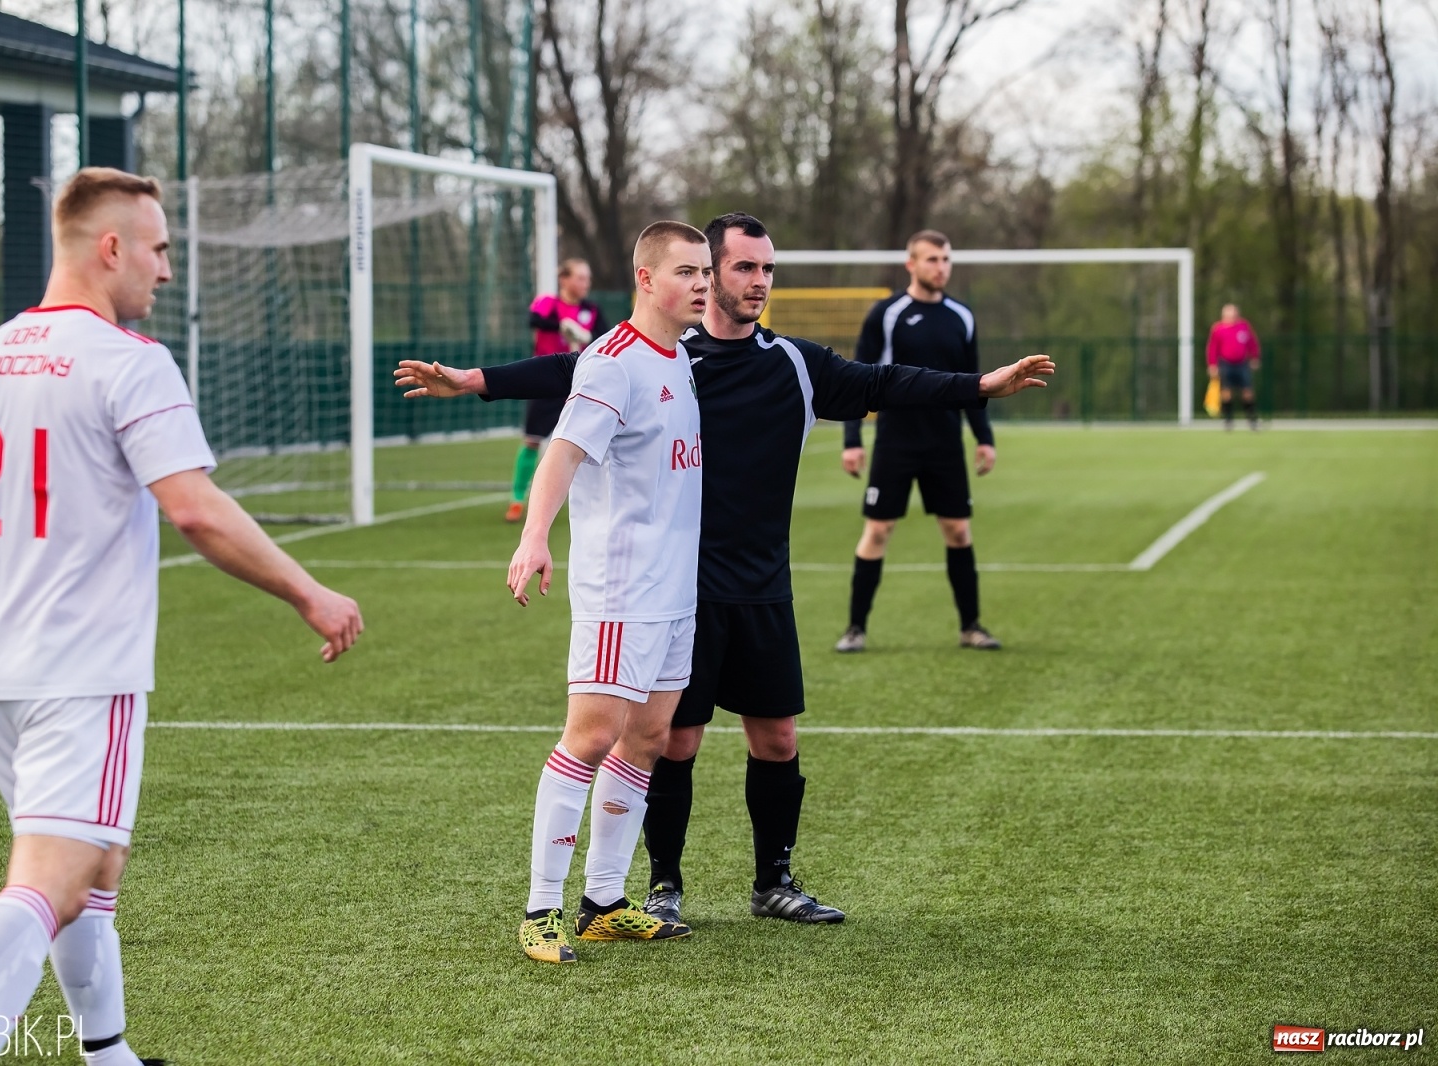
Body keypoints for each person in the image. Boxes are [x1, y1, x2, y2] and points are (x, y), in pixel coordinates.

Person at [393, 213, 1052, 929]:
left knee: (777, 738)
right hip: (674, 585)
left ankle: (773, 882)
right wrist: (476, 381)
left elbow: (889, 382)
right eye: (738, 268)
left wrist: (981, 385)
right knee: (671, 740)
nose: (753, 282)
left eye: (764, 269)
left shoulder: (792, 364)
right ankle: (659, 885)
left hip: (763, 583)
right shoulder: (666, 355)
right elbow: (572, 373)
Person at [0, 167, 363, 1066]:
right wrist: (310, 592)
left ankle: (108, 1051)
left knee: (92, 869)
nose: (166, 271)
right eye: (159, 250)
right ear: (110, 246)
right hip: (83, 672)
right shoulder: (130, 361)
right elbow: (193, 509)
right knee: (53, 877)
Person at [504, 221, 711, 964]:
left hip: (673, 591)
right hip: (621, 590)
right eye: (688, 271)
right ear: (647, 279)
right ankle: (539, 910)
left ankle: (602, 901)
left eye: (706, 272)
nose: (702, 285)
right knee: (590, 737)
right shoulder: (611, 362)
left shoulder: (681, 357)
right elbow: (562, 452)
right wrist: (535, 537)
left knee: (648, 740)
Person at [835, 229, 1001, 655]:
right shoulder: (887, 314)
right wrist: (852, 440)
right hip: (897, 440)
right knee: (878, 530)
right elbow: (857, 377)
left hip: (945, 441)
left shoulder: (962, 316)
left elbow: (975, 382)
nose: (940, 267)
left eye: (945, 260)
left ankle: (971, 626)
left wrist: (984, 439)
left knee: (958, 530)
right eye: (932, 260)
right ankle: (855, 628)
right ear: (912, 264)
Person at [508, 259, 606, 522]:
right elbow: (534, 320)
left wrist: (584, 336)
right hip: (546, 383)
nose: (585, 284)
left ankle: (585, 501)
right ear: (564, 280)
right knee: (532, 439)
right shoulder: (548, 303)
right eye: (580, 278)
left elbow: (604, 337)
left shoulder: (591, 310)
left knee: (583, 444)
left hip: (580, 383)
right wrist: (562, 326)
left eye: (587, 279)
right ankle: (517, 499)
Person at [1207, 303, 1262, 430]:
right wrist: (1212, 365)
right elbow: (1212, 348)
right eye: (1229, 314)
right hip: (1226, 364)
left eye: (1234, 314)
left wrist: (1254, 357)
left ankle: (1252, 419)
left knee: (1247, 392)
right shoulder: (1218, 329)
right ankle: (1228, 420)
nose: (1232, 317)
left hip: (1241, 364)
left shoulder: (1243, 326)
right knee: (1226, 393)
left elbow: (1252, 342)